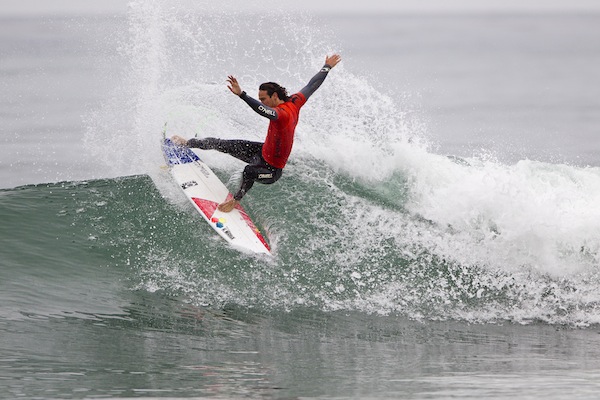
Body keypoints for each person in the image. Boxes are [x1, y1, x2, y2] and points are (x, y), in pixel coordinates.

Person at [172, 54, 341, 212]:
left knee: (249, 171)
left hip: (271, 170)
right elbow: (312, 85)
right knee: (221, 143)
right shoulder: (295, 101)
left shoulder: (282, 114)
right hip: (261, 152)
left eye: (264, 99)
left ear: (275, 96)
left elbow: (262, 111)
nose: (262, 102)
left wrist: (242, 95)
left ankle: (235, 201)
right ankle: (188, 143)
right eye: (260, 99)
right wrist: (326, 67)